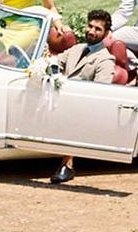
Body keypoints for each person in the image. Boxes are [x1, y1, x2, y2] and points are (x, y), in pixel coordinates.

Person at [49, 10, 119, 185]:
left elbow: (100, 92)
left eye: (98, 29)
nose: (92, 31)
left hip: (84, 106)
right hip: (61, 97)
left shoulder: (105, 59)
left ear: (106, 34)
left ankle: (68, 164)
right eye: (90, 26)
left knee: (73, 113)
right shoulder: (77, 48)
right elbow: (57, 62)